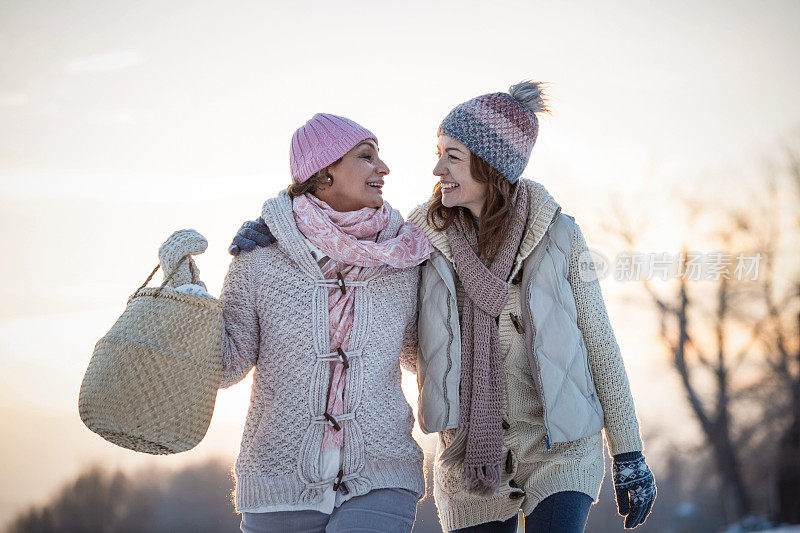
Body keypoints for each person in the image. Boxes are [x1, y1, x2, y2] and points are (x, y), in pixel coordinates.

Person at [231, 82, 656, 532]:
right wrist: (277, 229)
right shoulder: (419, 237)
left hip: (560, 444)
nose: (437, 169)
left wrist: (629, 453)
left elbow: (600, 345)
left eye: (452, 156)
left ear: (491, 165)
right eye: (439, 153)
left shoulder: (559, 235)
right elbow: (356, 256)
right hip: (467, 458)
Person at [219, 112, 433, 533]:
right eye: (366, 157)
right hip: (277, 483)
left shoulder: (405, 256)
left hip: (382, 474)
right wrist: (185, 303)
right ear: (325, 174)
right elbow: (227, 366)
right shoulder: (260, 259)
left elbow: (422, 353)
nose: (383, 168)